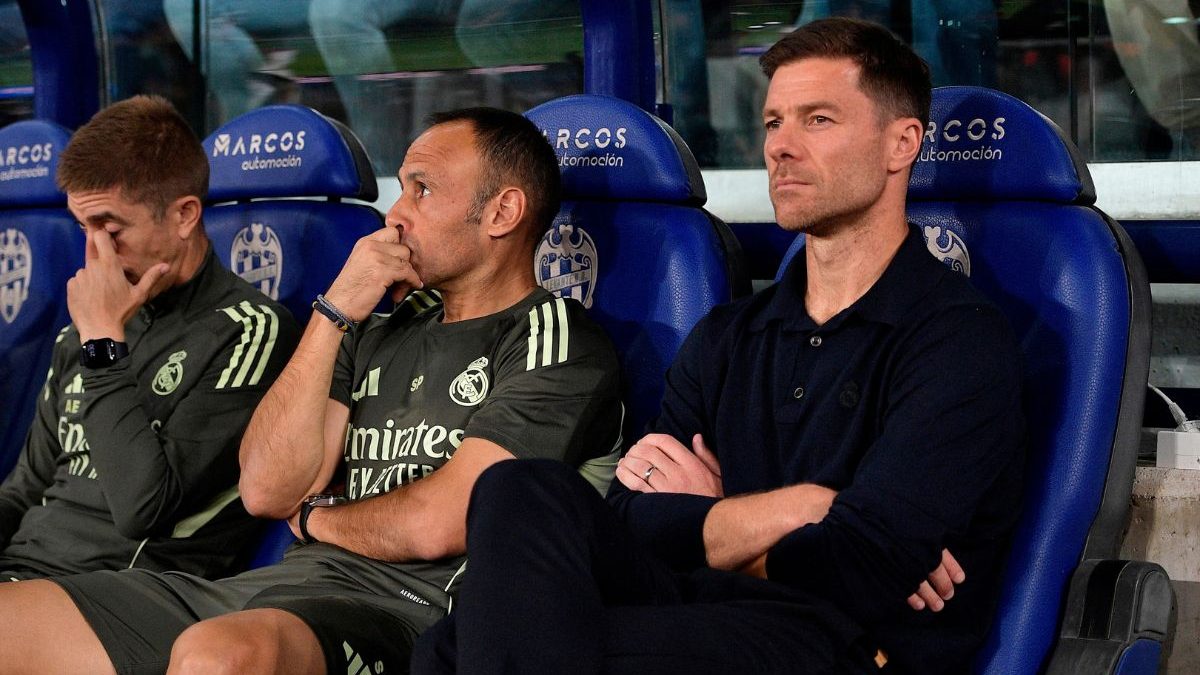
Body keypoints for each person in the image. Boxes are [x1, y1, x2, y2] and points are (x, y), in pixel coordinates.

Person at [412, 17, 1025, 674]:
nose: (781, 147)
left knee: (460, 650)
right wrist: (810, 506)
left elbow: (858, 561)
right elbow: (628, 517)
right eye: (773, 123)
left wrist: (708, 514)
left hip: (840, 644)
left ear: (901, 143)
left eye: (817, 120)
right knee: (517, 486)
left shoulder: (958, 338)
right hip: (706, 607)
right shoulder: (730, 334)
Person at [0, 106, 623, 674]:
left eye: (423, 189)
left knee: (217, 657)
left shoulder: (555, 340)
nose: (396, 212)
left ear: (502, 213)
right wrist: (335, 312)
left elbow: (443, 522)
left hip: (407, 610)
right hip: (274, 589)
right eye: (399, 187)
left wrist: (322, 521)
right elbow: (268, 488)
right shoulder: (374, 323)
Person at [0, 95, 299, 580]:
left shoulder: (249, 332)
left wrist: (101, 344)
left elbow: (144, 509)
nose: (94, 253)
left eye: (110, 229)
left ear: (184, 216)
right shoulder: (80, 332)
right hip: (24, 578)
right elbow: (24, 489)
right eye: (83, 228)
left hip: (121, 590)